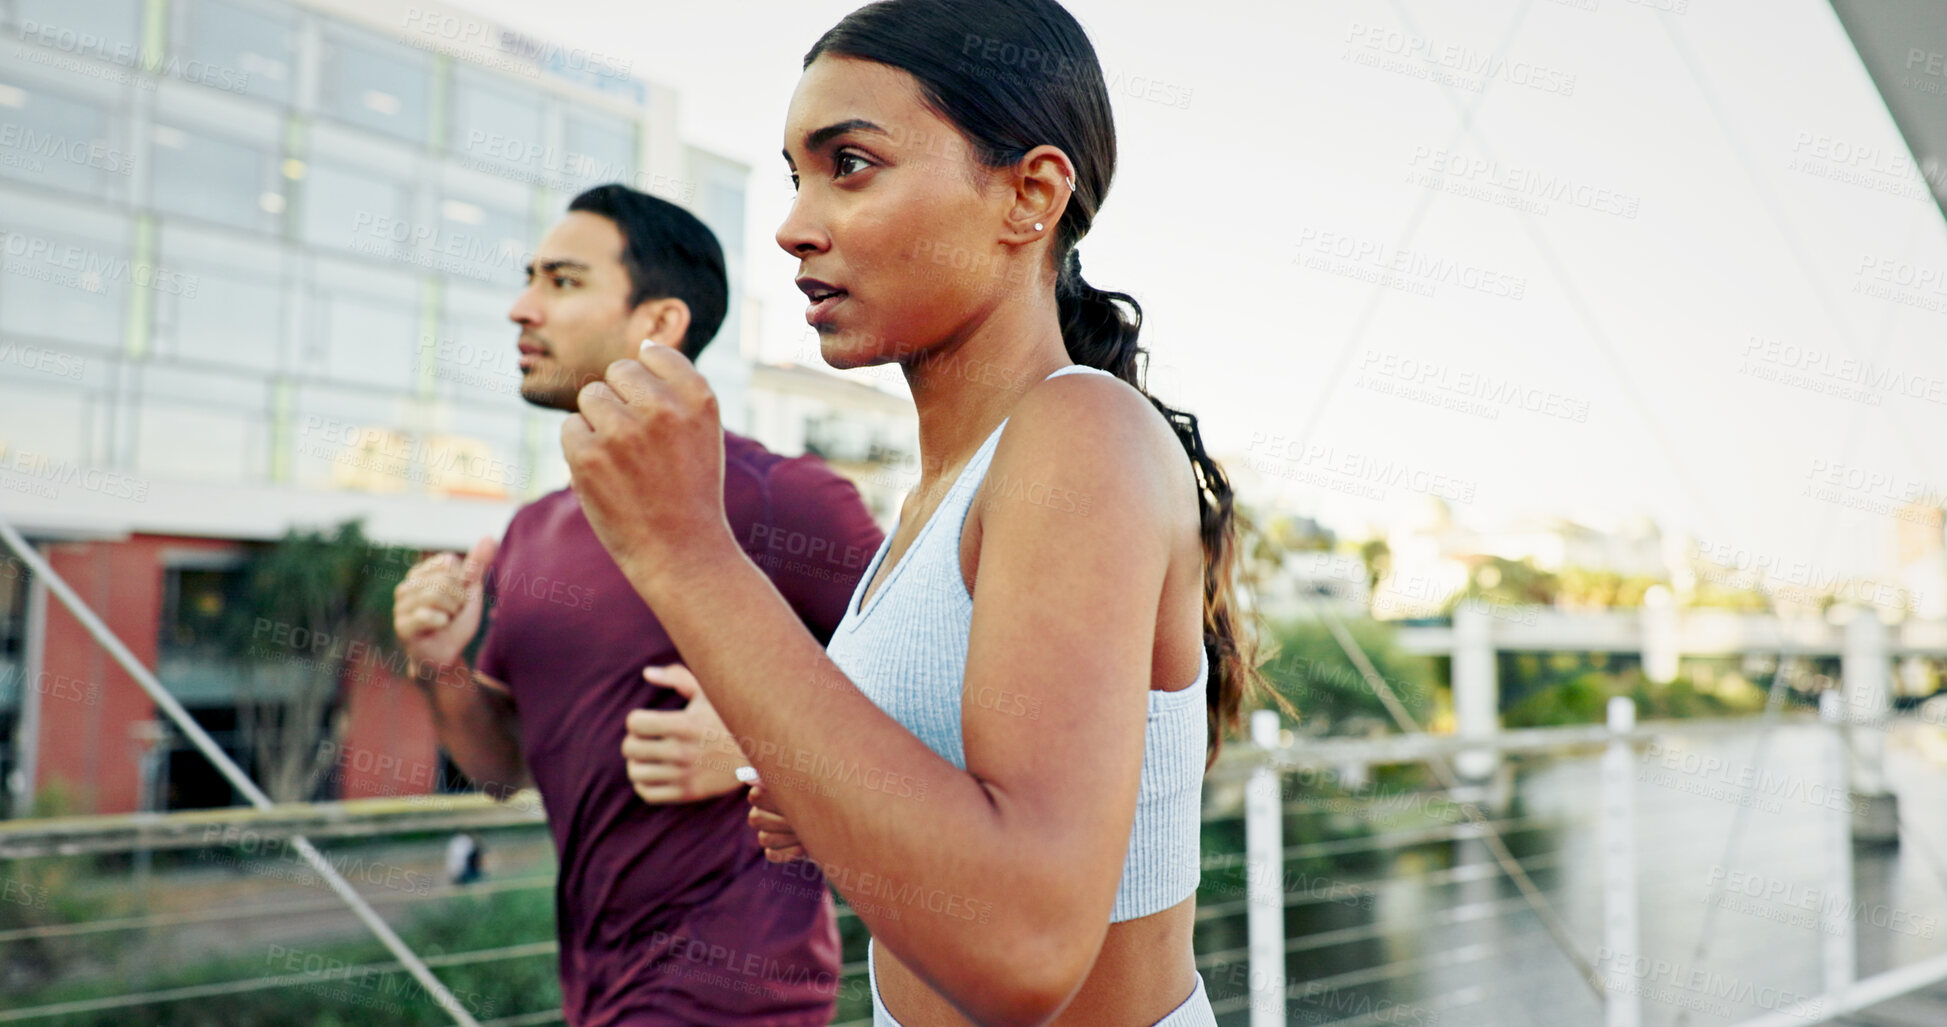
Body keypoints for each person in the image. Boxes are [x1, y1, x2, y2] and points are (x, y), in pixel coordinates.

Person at [559, 2, 1271, 1024]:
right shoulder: (939, 493)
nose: (794, 224)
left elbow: (1024, 944)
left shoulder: (1079, 429)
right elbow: (953, 803)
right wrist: (823, 791)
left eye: (850, 164)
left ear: (1029, 195)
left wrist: (685, 550)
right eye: (797, 175)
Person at [391, 183, 883, 1026]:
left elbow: (948, 694)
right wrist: (439, 664)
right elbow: (501, 769)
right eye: (528, 279)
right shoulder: (531, 532)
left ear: (658, 322)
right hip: (594, 994)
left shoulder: (784, 499)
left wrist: (761, 746)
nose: (521, 307)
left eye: (562, 281)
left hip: (738, 998)